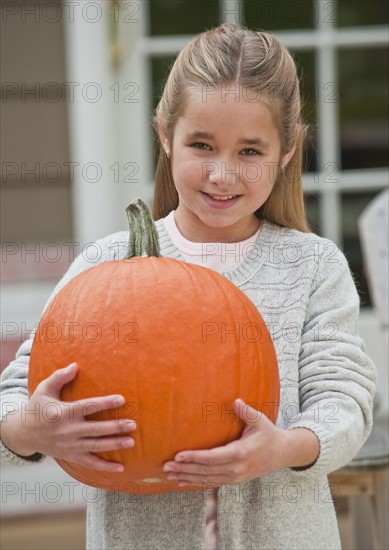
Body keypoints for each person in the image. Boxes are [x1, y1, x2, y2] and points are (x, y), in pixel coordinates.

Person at [0, 23, 376, 550]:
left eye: (250, 152)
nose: (222, 174)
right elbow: (14, 397)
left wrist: (285, 447)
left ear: (288, 148)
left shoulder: (310, 266)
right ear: (164, 135)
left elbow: (345, 401)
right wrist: (27, 429)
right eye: (202, 144)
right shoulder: (104, 265)